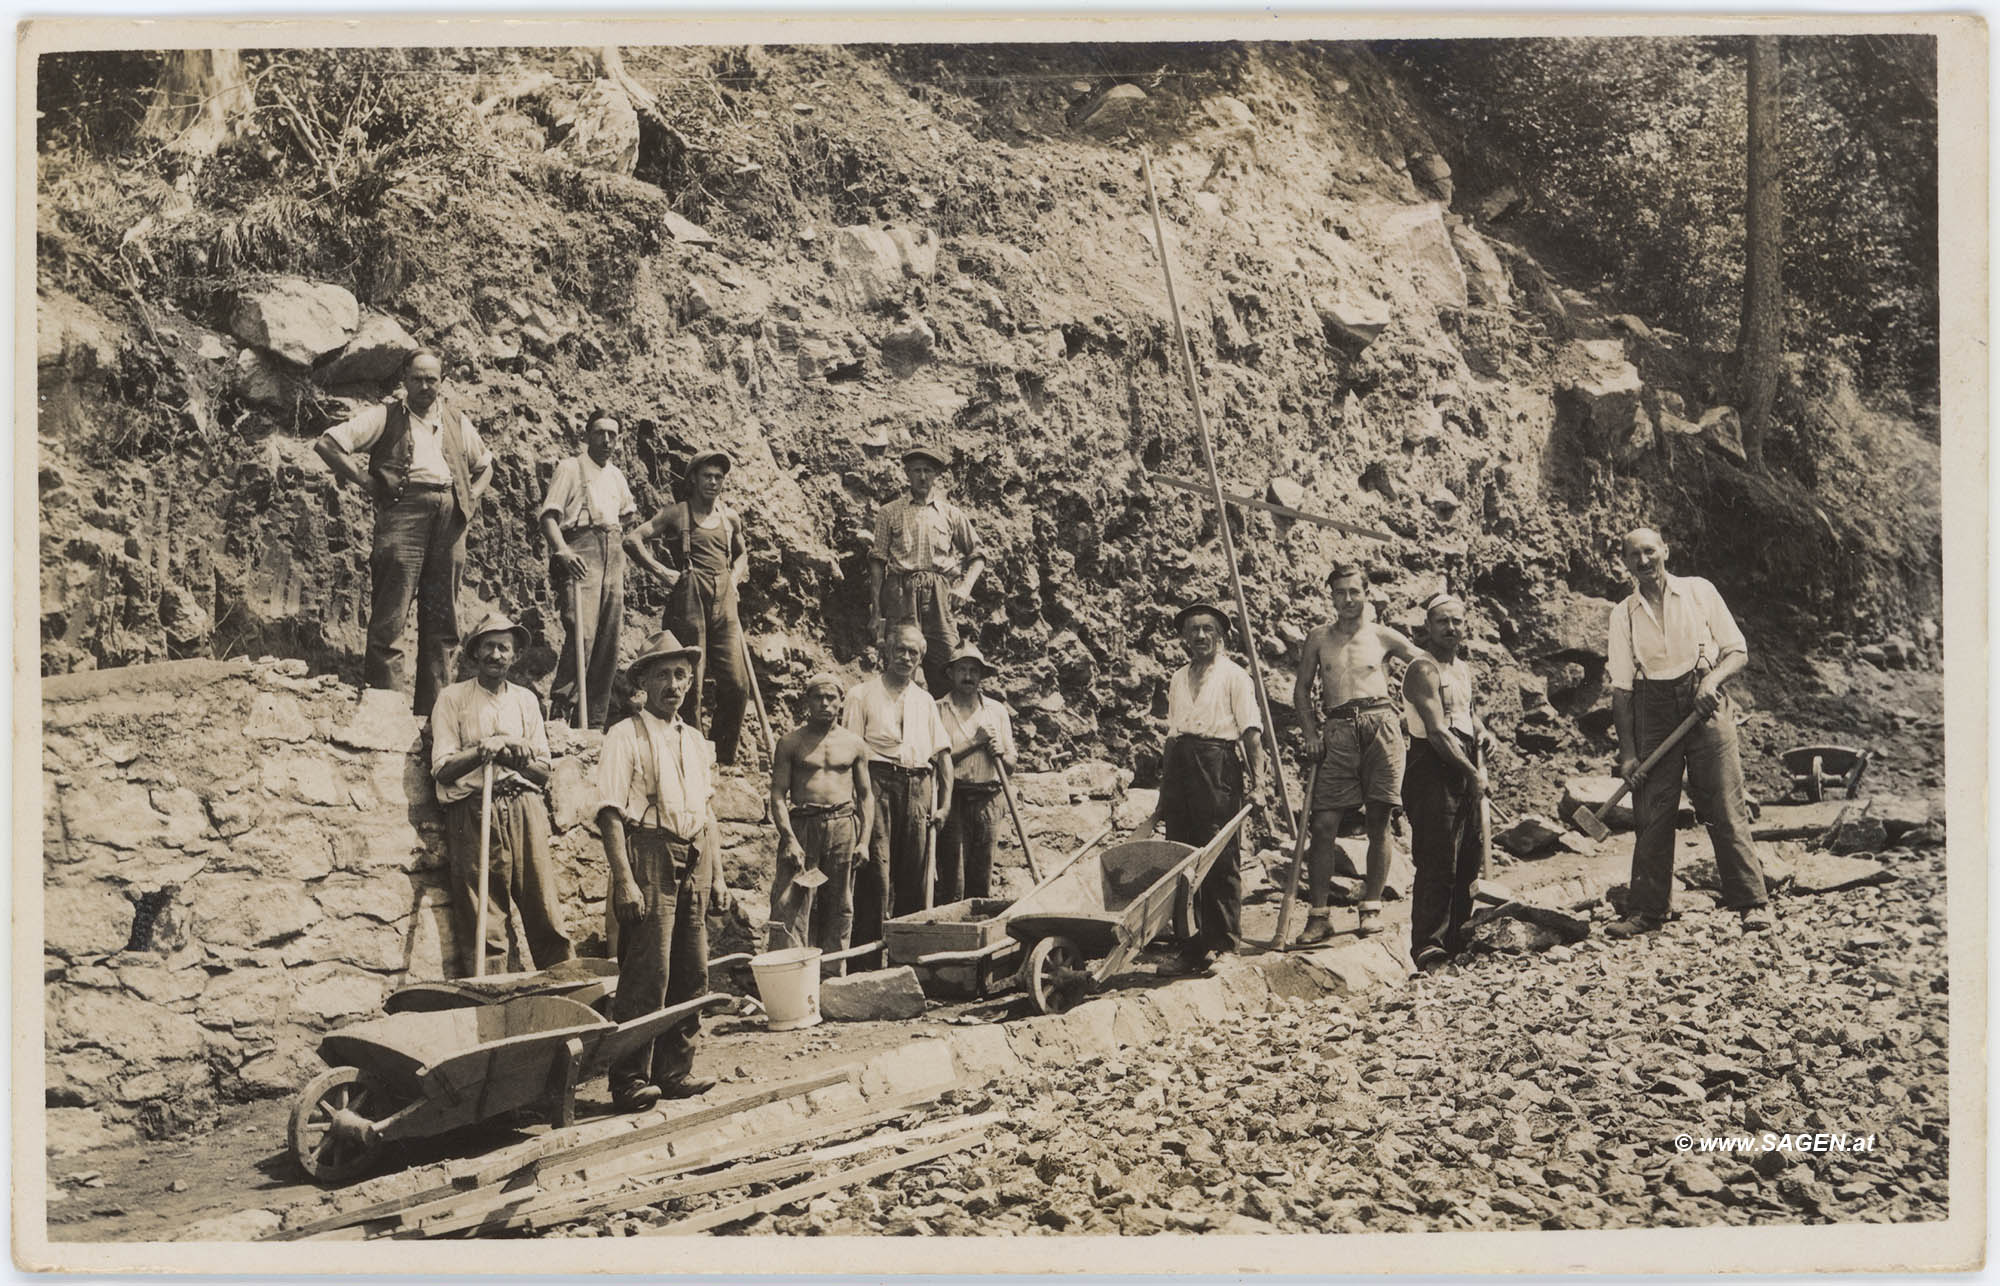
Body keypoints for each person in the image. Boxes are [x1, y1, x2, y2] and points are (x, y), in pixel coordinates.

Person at [1604, 528, 1774, 937]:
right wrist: (1628, 754)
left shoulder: (1699, 592)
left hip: (1706, 706)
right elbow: (1622, 690)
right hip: (1652, 711)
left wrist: (1711, 682)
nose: (1644, 561)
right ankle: (1647, 911)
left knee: (1724, 803)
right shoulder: (1622, 614)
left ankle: (1752, 903)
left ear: (1665, 550)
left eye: (1650, 551)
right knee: (1652, 810)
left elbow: (1737, 650)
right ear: (1624, 563)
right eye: (1634, 556)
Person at [316, 350, 495, 715]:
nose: (425, 386)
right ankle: (386, 712)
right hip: (404, 514)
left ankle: (435, 716)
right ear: (404, 382)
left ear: (442, 381)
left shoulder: (457, 421)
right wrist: (367, 483)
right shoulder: (386, 416)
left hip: (451, 518)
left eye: (432, 379)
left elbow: (485, 465)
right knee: (391, 614)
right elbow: (328, 443)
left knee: (443, 620)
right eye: (417, 378)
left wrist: (471, 496)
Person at [595, 630, 728, 1111]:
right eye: (663, 675)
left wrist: (720, 876)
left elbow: (706, 812)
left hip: (695, 854)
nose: (673, 685)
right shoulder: (624, 735)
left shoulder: (694, 741)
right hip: (649, 852)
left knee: (691, 970)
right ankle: (629, 1078)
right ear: (642, 683)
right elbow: (610, 812)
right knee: (648, 969)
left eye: (681, 675)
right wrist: (625, 880)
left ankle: (675, 1071)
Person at [428, 612, 572, 978]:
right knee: (483, 915)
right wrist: (482, 750)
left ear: (515, 655)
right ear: (475, 652)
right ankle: (493, 996)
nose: (496, 655)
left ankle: (566, 986)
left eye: (504, 648)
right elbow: (442, 769)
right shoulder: (452, 698)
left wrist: (510, 752)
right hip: (472, 812)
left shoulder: (526, 701)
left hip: (524, 808)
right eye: (488, 646)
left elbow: (541, 771)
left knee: (544, 906)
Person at [1292, 562, 1422, 943]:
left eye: (1354, 592)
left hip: (1380, 724)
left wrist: (1433, 708)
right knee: (1324, 824)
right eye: (1339, 593)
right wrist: (1311, 733)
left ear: (1366, 594)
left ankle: (1371, 907)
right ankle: (1319, 916)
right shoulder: (1318, 637)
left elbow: (1426, 665)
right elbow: (1301, 690)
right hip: (1336, 730)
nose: (1347, 599)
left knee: (1379, 820)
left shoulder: (1382, 636)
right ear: (1331, 597)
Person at [1140, 601, 1263, 972]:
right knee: (1182, 857)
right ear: (1183, 638)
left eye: (1208, 629)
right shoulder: (1178, 677)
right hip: (1180, 765)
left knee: (1220, 856)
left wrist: (1259, 784)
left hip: (1217, 766)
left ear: (1220, 636)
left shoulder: (1235, 676)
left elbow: (1251, 733)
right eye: (1193, 630)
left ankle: (1225, 944)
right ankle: (1192, 946)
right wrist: (1164, 795)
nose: (1200, 636)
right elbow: (1172, 735)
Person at [626, 449, 750, 764]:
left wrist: (734, 577)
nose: (713, 482)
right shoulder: (676, 514)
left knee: (737, 683)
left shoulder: (729, 517)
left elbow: (742, 555)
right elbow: (633, 539)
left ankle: (724, 760)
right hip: (689, 600)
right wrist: (662, 571)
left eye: (719, 477)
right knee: (689, 683)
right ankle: (691, 755)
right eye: (707, 475)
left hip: (724, 601)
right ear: (693, 478)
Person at [842, 624, 954, 952]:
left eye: (914, 653)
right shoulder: (860, 695)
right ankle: (867, 961)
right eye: (901, 650)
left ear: (921, 659)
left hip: (919, 786)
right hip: (876, 783)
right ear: (887, 652)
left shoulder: (925, 702)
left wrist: (945, 805)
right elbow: (851, 751)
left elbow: (943, 757)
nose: (906, 658)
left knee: (914, 874)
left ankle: (908, 958)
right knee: (875, 873)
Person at [1401, 591, 1492, 970]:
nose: (1451, 629)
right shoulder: (1423, 670)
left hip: (1463, 758)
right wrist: (1471, 773)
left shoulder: (1462, 668)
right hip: (1432, 767)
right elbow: (1438, 732)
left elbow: (1465, 714)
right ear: (1428, 627)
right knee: (1438, 858)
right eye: (1443, 622)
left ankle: (1457, 940)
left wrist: (1484, 732)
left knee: (1468, 856)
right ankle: (1428, 948)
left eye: (1457, 621)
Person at [539, 411, 638, 730]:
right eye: (599, 433)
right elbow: (548, 516)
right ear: (587, 435)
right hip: (582, 548)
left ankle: (594, 721)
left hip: (613, 552)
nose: (606, 440)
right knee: (582, 632)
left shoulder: (617, 477)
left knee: (608, 639)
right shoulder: (570, 468)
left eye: (612, 434)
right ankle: (561, 711)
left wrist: (616, 548)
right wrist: (563, 550)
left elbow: (625, 517)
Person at [767, 673, 875, 954]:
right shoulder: (790, 742)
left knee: (840, 904)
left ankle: (832, 977)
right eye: (818, 697)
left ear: (841, 702)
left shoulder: (854, 744)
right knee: (790, 903)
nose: (825, 704)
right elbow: (778, 794)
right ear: (808, 702)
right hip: (803, 826)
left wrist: (864, 841)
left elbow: (865, 796)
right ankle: (789, 972)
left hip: (842, 826)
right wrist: (789, 838)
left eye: (831, 698)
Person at [868, 443, 984, 694]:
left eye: (928, 471)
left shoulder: (950, 514)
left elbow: (978, 556)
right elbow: (877, 560)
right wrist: (876, 611)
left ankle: (946, 727)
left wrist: (964, 588)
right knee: (900, 661)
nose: (922, 477)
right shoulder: (889, 512)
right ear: (907, 474)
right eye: (917, 470)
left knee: (948, 660)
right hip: (901, 592)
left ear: (936, 476)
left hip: (939, 595)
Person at [936, 643, 1017, 903]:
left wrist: (1001, 753)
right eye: (962, 670)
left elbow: (1011, 765)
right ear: (951, 673)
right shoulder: (937, 709)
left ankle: (978, 932)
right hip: (955, 798)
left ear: (981, 675)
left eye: (974, 671)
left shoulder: (997, 711)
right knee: (953, 876)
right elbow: (937, 760)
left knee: (982, 874)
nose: (968, 676)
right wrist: (976, 742)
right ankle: (951, 933)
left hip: (990, 798)